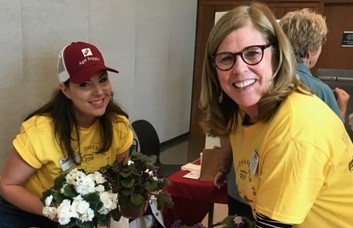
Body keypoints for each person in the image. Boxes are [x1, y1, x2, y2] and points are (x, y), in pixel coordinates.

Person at [200, 2, 353, 227]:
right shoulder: (243, 113)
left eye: (252, 53)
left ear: (277, 55)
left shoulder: (295, 127)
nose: (239, 69)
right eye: (226, 58)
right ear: (214, 70)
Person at [0, 41, 134, 227]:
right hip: (30, 211)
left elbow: (121, 178)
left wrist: (134, 201)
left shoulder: (118, 125)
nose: (99, 92)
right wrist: (55, 212)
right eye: (85, 85)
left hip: (83, 214)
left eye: (103, 80)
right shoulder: (41, 130)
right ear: (66, 90)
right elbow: (8, 186)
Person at [279, 8, 350, 121]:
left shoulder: (268, 77)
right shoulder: (321, 91)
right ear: (309, 53)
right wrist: (342, 109)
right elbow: (335, 133)